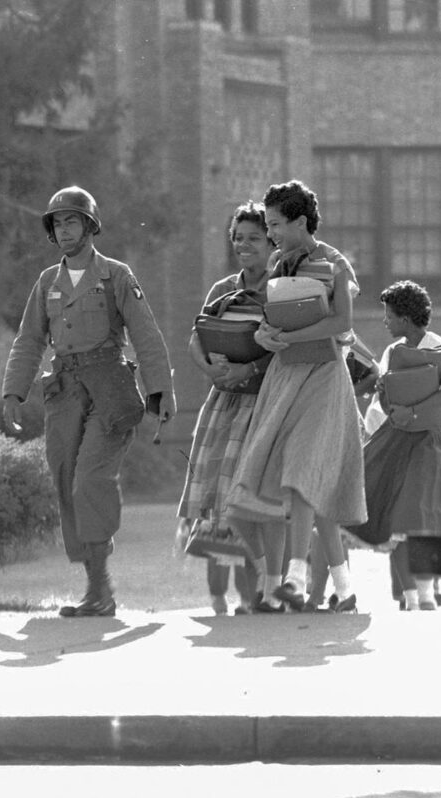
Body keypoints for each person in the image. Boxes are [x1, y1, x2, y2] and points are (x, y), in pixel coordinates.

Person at [2, 185, 175, 618]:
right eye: (58, 224)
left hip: (110, 388)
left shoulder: (115, 275)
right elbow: (28, 339)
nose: (64, 231)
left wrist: (161, 391)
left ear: (90, 226)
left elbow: (146, 334)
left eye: (72, 221)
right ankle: (93, 585)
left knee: (89, 480)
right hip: (64, 390)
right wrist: (13, 391)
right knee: (64, 480)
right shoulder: (47, 282)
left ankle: (102, 589)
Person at [225, 179, 366, 613]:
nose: (271, 234)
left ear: (301, 221)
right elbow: (270, 318)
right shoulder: (280, 264)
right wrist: (267, 335)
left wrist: (291, 333)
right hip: (285, 379)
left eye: (275, 224)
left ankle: (296, 577)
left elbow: (342, 320)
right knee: (309, 481)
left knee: (304, 472)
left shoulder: (333, 263)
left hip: (324, 376)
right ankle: (345, 591)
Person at [178, 201, 285, 615]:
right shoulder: (222, 289)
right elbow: (196, 336)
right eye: (238, 238)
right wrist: (210, 368)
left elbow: (285, 347)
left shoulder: (281, 287)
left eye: (254, 238)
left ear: (272, 242)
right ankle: (223, 597)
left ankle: (258, 594)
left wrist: (249, 368)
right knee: (218, 500)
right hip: (224, 403)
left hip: (264, 404)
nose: (244, 245)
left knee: (252, 500)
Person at [349, 280, 441, 610]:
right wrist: (392, 407)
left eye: (389, 316)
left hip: (427, 440)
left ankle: (426, 593)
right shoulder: (392, 352)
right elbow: (384, 393)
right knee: (396, 514)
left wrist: (415, 410)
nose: (384, 322)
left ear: (404, 317)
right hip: (395, 437)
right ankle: (409, 595)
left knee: (423, 513)